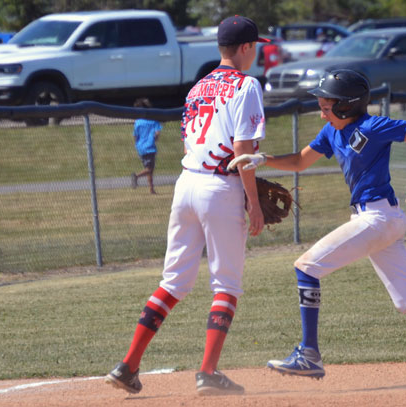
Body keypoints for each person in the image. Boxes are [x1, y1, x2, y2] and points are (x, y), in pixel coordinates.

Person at [228, 69, 406, 380]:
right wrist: (264, 159)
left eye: (326, 107)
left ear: (345, 106)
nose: (322, 114)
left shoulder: (372, 125)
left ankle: (309, 353)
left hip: (378, 217)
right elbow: (299, 161)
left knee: (307, 267)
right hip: (377, 220)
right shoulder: (331, 133)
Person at [106, 15, 269, 396]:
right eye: (255, 45)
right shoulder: (247, 85)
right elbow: (243, 149)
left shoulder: (198, 87)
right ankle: (208, 373)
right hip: (221, 187)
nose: (256, 51)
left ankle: (127, 365)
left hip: (186, 184)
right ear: (244, 47)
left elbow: (187, 142)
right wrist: (253, 202)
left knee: (174, 281)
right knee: (226, 284)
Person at [131, 98, 162, 194]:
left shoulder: (138, 122)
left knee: (149, 168)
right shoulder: (153, 121)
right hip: (150, 148)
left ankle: (151, 189)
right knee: (149, 169)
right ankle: (136, 176)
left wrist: (137, 144)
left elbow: (135, 135)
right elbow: (157, 133)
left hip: (140, 147)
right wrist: (155, 138)